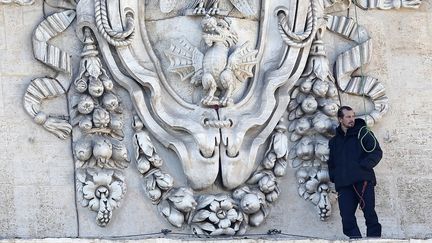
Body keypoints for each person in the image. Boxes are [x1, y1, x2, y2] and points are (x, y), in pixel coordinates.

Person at [327, 106, 383, 239]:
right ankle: (356, 240)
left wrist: (363, 166)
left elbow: (376, 152)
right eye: (348, 117)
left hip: (362, 179)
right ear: (340, 119)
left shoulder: (363, 132)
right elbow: (331, 162)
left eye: (353, 116)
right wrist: (334, 176)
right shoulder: (334, 141)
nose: (352, 119)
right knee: (346, 217)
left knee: (369, 213)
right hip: (344, 184)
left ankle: (374, 240)